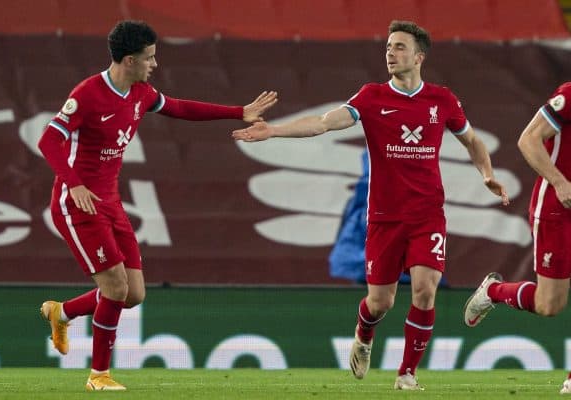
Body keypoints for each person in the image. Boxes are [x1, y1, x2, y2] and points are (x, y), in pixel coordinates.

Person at [232, 20, 509, 390]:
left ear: (419, 56)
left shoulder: (442, 100)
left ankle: (407, 373)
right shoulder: (372, 96)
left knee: (426, 288)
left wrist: (486, 174)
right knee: (380, 302)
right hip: (384, 218)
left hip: (427, 214)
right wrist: (274, 131)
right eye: (388, 47)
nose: (390, 53)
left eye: (398, 47)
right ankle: (364, 335)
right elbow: (323, 123)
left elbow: (472, 141)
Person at [38, 20, 277, 391]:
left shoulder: (141, 93)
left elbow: (180, 108)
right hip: (77, 204)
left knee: (134, 294)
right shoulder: (87, 94)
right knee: (115, 288)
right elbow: (49, 142)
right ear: (129, 60)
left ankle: (63, 312)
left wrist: (237, 112)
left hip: (111, 202)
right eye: (149, 58)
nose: (155, 64)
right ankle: (98, 375)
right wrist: (75, 184)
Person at [464, 82, 571, 394]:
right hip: (557, 208)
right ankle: (494, 291)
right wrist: (560, 181)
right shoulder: (569, 95)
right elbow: (529, 140)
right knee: (549, 305)